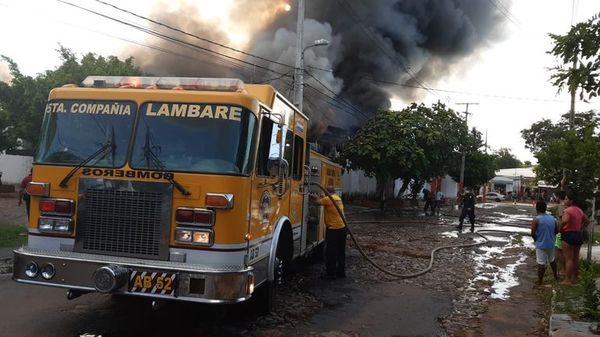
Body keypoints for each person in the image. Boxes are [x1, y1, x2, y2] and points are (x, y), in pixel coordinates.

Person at [311, 186, 347, 279]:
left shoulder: (328, 199)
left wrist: (313, 196)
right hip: (342, 228)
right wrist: (322, 196)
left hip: (333, 230)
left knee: (331, 252)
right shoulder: (336, 197)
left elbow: (316, 203)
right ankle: (341, 272)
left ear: (327, 192)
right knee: (340, 252)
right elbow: (325, 198)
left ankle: (330, 274)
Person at [559, 191, 589, 285]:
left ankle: (567, 280)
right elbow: (587, 221)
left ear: (571, 201)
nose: (564, 200)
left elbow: (565, 220)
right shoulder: (579, 210)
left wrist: (560, 228)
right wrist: (581, 228)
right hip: (578, 235)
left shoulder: (567, 210)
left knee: (568, 258)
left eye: (566, 199)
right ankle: (574, 278)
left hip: (568, 234)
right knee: (575, 258)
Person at [530, 201, 559, 285]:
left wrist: (536, 240)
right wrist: (551, 236)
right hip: (551, 243)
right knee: (552, 260)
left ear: (537, 209)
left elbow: (532, 233)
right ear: (546, 208)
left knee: (541, 263)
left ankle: (540, 281)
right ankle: (555, 276)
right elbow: (557, 231)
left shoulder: (536, 219)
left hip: (541, 244)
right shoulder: (553, 219)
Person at [554, 190, 567, 277]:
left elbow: (562, 219)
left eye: (556, 196)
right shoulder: (566, 205)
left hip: (561, 231)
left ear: (558, 197)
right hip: (564, 231)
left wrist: (559, 230)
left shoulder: (561, 206)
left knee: (560, 250)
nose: (555, 198)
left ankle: (563, 269)